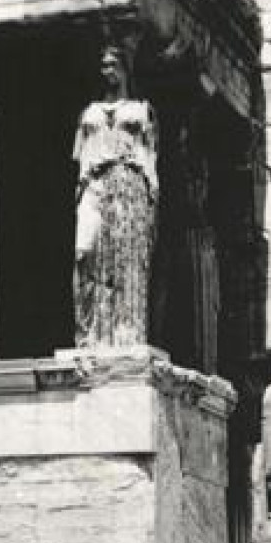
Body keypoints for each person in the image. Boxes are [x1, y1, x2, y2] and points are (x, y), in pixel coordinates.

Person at [73, 43, 158, 348]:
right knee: (85, 252)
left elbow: (150, 157)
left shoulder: (141, 109)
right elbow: (80, 155)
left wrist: (150, 201)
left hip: (127, 182)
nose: (107, 70)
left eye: (112, 64)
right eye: (104, 65)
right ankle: (90, 332)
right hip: (94, 183)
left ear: (125, 67)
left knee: (126, 257)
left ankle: (125, 333)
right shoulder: (90, 111)